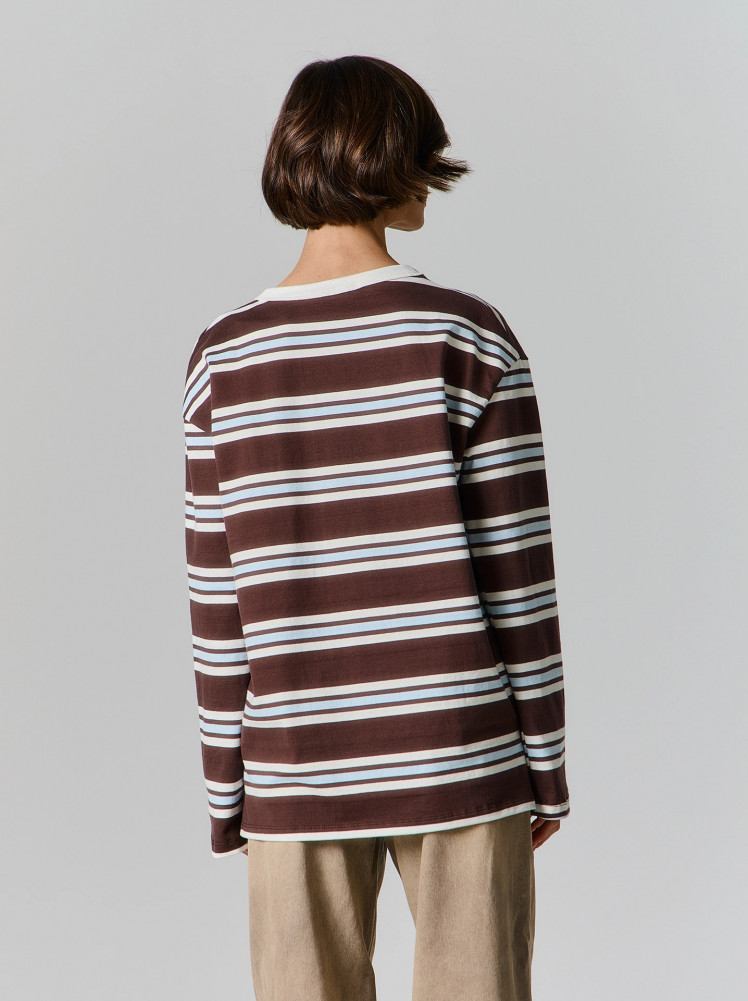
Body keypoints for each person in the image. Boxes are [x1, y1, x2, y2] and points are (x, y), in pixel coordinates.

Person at [183, 54, 570, 1001]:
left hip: (293, 762)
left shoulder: (222, 360)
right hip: (459, 751)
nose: (433, 179)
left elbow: (218, 603)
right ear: (385, 158)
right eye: (423, 157)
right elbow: (520, 580)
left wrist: (229, 788)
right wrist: (545, 765)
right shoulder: (467, 335)